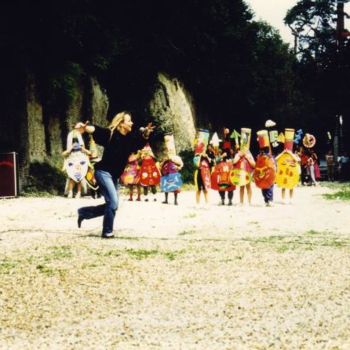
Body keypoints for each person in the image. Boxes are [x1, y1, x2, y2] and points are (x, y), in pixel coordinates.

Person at [76, 111, 155, 238]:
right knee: (113, 203)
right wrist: (85, 128)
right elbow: (97, 130)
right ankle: (107, 232)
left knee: (113, 205)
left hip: (113, 176)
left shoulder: (129, 139)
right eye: (129, 121)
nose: (132, 123)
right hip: (103, 172)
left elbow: (139, 142)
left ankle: (84, 212)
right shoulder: (111, 135)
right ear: (121, 123)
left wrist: (146, 133)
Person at [62, 128, 91, 198]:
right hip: (72, 160)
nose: (75, 142)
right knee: (72, 176)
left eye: (76, 140)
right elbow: (63, 154)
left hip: (80, 161)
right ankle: (70, 191)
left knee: (80, 177)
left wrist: (82, 149)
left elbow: (89, 153)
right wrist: (70, 149)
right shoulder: (70, 149)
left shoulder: (81, 148)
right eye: (73, 140)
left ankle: (79, 192)